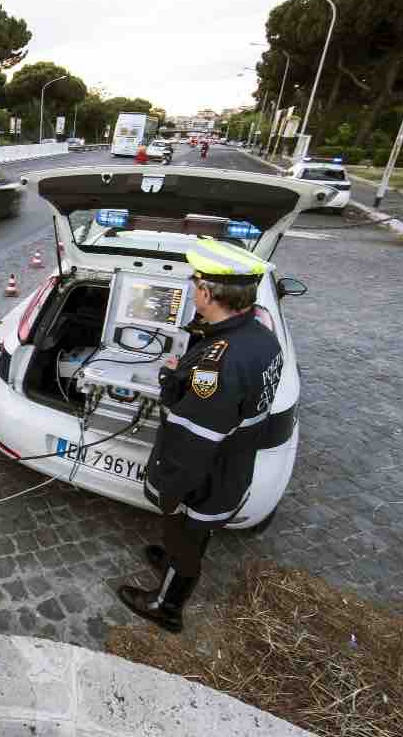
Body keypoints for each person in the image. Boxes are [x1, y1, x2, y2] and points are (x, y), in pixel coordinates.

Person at [118, 237, 284, 633]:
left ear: (208, 293)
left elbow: (193, 438)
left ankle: (166, 605)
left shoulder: (219, 361)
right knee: (194, 534)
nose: (191, 290)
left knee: (185, 535)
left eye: (194, 283)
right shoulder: (261, 336)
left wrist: (169, 490)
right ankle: (174, 562)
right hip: (232, 465)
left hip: (204, 478)